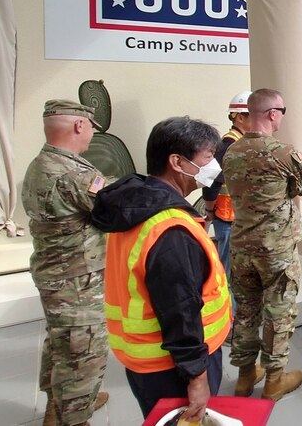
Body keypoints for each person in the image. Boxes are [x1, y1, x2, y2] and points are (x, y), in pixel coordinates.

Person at [91, 117, 231, 422]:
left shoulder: (137, 205)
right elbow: (180, 309)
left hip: (146, 360)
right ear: (177, 162)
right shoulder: (170, 230)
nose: (214, 167)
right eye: (208, 157)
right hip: (173, 367)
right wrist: (197, 377)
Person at [22, 100, 111, 426]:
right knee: (83, 351)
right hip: (78, 279)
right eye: (89, 128)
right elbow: (111, 209)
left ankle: (56, 410)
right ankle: (76, 415)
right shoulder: (75, 173)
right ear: (79, 126)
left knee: (62, 342)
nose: (90, 135)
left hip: (53, 274)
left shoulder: (39, 164)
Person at [223, 88, 302, 400]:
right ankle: (274, 379)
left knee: (247, 312)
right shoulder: (283, 152)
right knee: (278, 312)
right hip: (276, 252)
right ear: (273, 114)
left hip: (241, 248)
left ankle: (245, 377)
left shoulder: (231, 152)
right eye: (282, 112)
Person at [201, 90, 252, 281]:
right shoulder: (228, 144)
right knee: (229, 273)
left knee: (238, 272)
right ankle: (229, 310)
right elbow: (212, 182)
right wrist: (209, 210)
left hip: (237, 217)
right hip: (227, 218)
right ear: (239, 117)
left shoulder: (241, 142)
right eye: (253, 115)